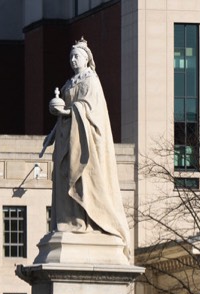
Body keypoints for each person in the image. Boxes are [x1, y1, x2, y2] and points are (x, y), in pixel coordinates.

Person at [41, 38, 132, 258]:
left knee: (82, 178)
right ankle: (69, 220)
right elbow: (65, 111)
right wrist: (52, 134)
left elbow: (91, 110)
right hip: (66, 137)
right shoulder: (69, 83)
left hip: (84, 139)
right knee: (64, 178)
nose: (73, 60)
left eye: (77, 56)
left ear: (86, 59)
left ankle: (86, 220)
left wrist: (68, 112)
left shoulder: (91, 81)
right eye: (71, 57)